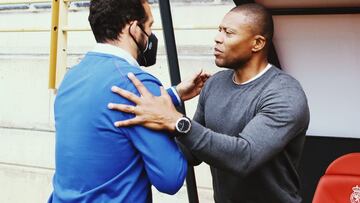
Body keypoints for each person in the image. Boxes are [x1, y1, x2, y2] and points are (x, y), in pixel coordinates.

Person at [108, 3, 310, 203]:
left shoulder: (284, 93)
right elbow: (192, 151)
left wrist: (178, 122)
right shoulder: (215, 83)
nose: (217, 38)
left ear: (257, 43)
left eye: (229, 33)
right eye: (219, 30)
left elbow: (244, 157)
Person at [48, 0, 210, 202]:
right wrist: (177, 123)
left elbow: (107, 109)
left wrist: (174, 94)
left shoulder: (73, 75)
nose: (150, 34)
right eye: (149, 25)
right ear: (133, 28)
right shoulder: (137, 83)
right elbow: (171, 179)